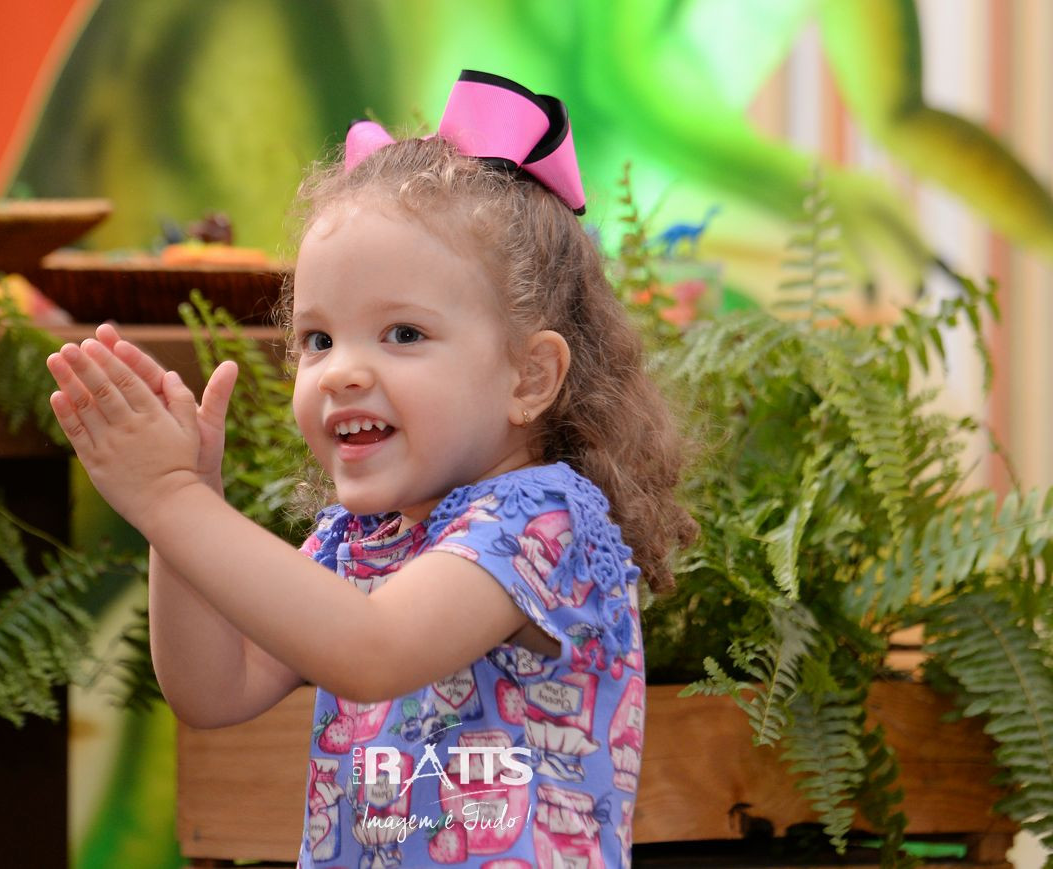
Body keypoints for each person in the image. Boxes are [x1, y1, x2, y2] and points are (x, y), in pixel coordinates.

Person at [46, 70, 696, 869]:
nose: (342, 371)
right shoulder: (357, 542)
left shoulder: (544, 522)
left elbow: (373, 649)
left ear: (529, 377)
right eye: (319, 340)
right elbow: (213, 690)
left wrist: (174, 498)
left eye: (403, 334)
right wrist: (176, 516)